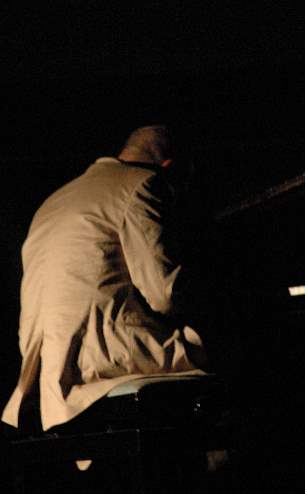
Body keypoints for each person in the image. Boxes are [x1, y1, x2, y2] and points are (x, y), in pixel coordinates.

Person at [1, 125, 208, 433]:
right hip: (101, 357)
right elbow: (165, 295)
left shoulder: (54, 201)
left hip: (40, 369)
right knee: (233, 357)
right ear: (170, 168)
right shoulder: (143, 185)